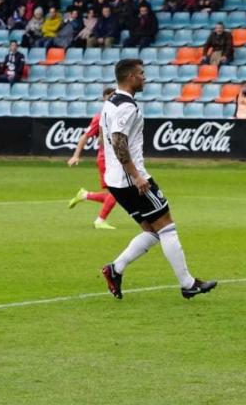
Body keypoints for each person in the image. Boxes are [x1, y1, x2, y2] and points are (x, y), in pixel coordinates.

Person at [100, 59, 218, 300]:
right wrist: (137, 176)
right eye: (141, 74)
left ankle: (115, 269)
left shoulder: (111, 101)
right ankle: (188, 283)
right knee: (167, 226)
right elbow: (117, 140)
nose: (145, 78)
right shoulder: (126, 107)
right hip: (132, 180)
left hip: (115, 179)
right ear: (131, 77)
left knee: (152, 231)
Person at [68, 87, 119, 231]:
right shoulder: (100, 117)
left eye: (115, 96)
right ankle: (100, 220)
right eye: (110, 96)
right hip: (106, 159)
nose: (113, 98)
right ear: (104, 98)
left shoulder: (118, 115)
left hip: (116, 159)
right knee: (117, 192)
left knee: (117, 193)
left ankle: (85, 195)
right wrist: (76, 155)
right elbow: (85, 136)